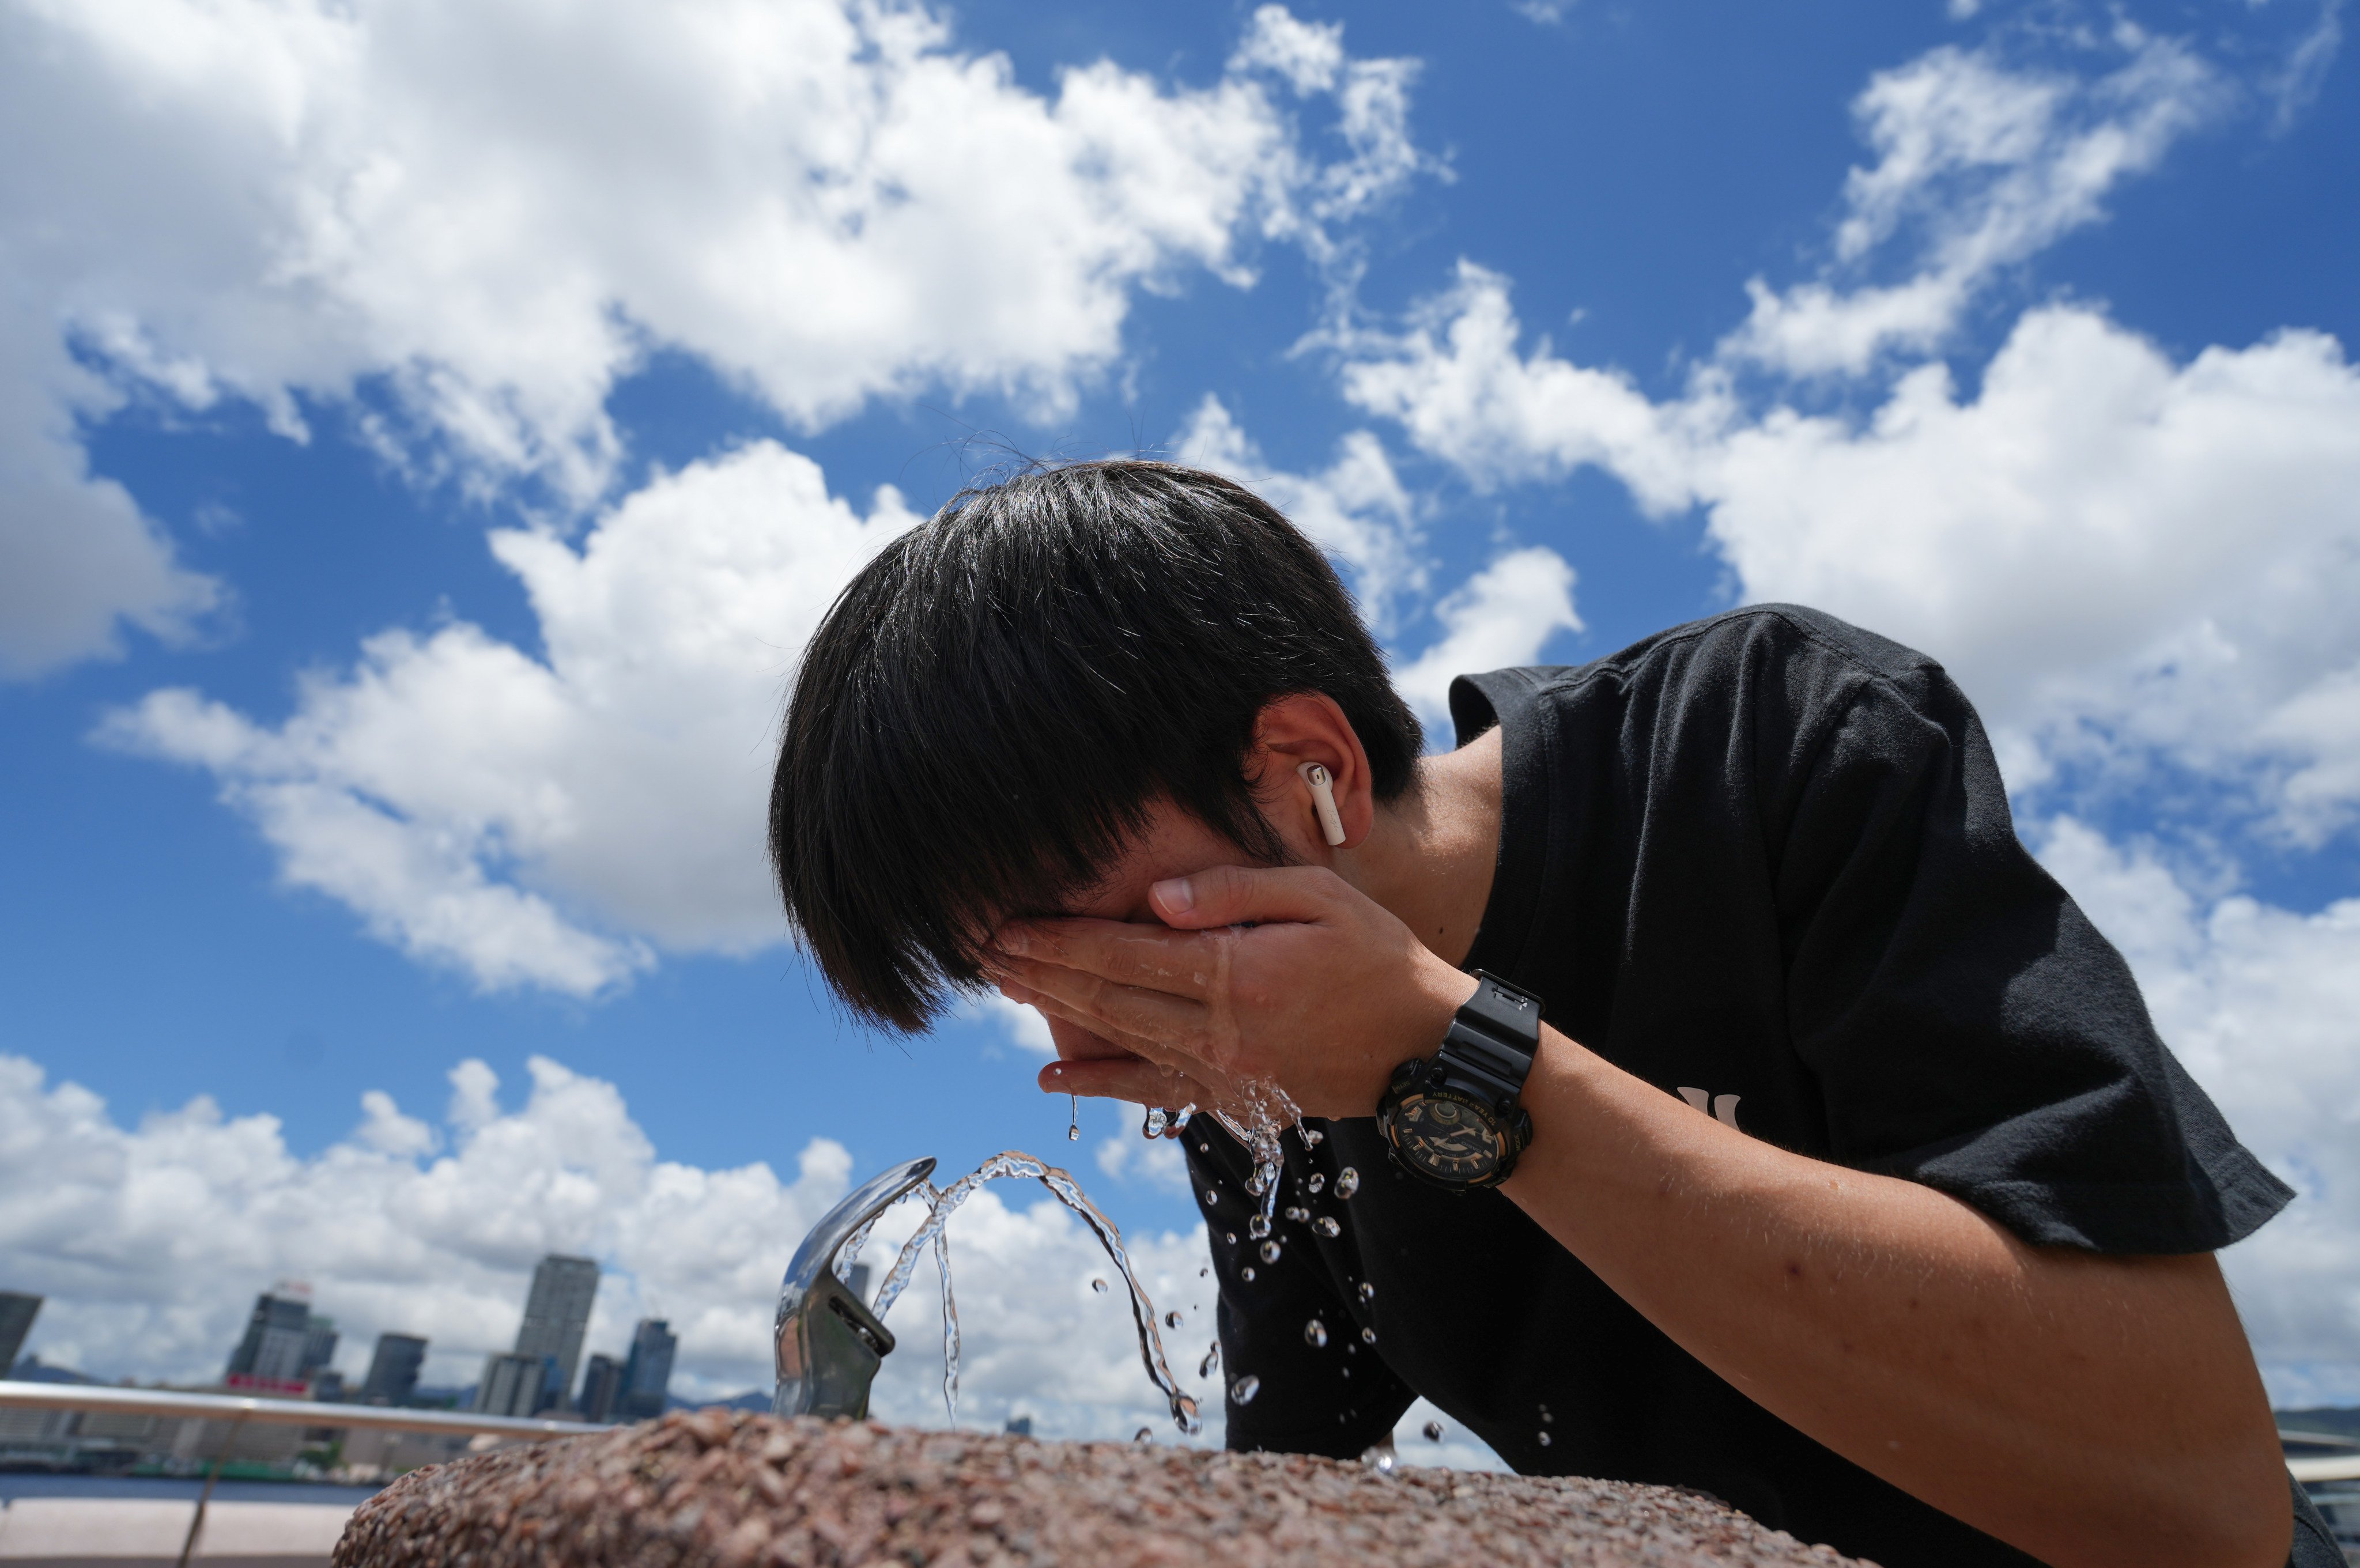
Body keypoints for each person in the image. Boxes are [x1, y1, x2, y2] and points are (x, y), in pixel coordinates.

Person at [769, 459, 2338, 1568]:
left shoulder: (1766, 752)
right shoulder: (1256, 1074)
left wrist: (1440, 1060)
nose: (1079, 1013)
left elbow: (2199, 1500)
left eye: (1084, 931)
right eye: (1011, 973)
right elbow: (1294, 1497)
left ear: (1306, 766)